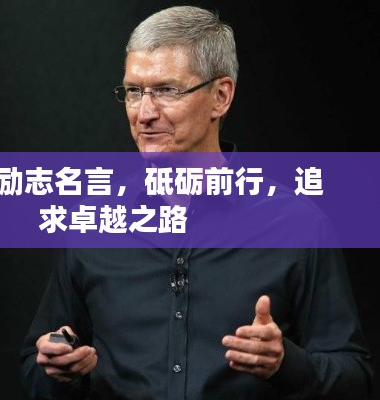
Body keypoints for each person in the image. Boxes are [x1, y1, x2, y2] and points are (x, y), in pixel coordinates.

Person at [20, 6, 374, 399]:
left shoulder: (297, 225)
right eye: (134, 91)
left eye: (167, 90)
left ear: (221, 97)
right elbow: (36, 368)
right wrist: (57, 370)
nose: (144, 113)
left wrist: (286, 365)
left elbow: (355, 378)